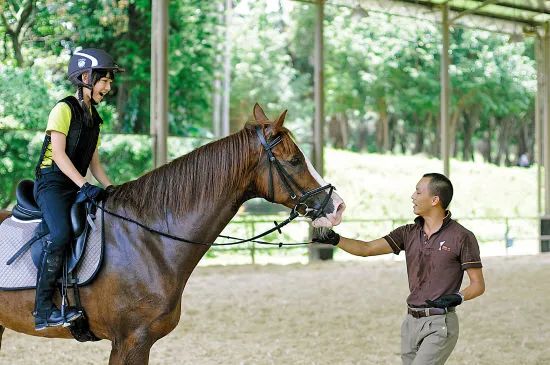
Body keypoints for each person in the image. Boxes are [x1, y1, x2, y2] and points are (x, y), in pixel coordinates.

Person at [314, 173, 485, 365]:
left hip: (440, 323)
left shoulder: (462, 237)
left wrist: (458, 297)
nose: (413, 196)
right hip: (410, 322)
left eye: (418, 192)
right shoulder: (407, 233)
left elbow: (478, 285)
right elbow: (366, 249)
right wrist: (335, 239)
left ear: (435, 200)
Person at [32, 48, 124, 330]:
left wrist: (112, 189)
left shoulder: (95, 120)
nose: (108, 87)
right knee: (60, 233)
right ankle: (43, 310)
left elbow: (94, 165)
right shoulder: (63, 109)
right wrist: (85, 186)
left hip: (75, 184)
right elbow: (58, 155)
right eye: (104, 80)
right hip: (51, 184)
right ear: (85, 77)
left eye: (109, 82)